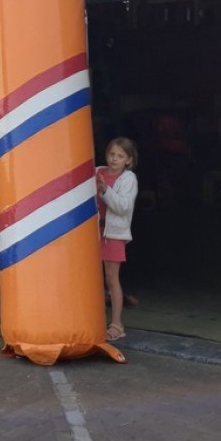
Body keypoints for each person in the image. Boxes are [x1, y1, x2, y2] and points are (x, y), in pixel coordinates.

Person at [96, 137, 138, 341]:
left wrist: (105, 190)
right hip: (94, 231)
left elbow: (123, 207)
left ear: (128, 160)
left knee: (111, 279)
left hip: (113, 233)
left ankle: (117, 324)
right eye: (112, 154)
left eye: (120, 156)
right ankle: (94, 319)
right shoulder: (97, 172)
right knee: (92, 278)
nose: (114, 159)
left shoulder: (129, 179)